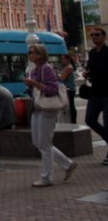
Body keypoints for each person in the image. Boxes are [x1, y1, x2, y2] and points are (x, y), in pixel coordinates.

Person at [24, 43, 77, 187]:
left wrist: (34, 83)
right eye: (29, 52)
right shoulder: (34, 70)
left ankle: (46, 177)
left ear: (41, 54)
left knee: (45, 144)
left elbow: (52, 89)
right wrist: (30, 86)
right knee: (38, 142)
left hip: (48, 109)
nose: (30, 54)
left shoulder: (46, 68)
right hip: (37, 108)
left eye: (32, 52)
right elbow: (35, 91)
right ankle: (67, 164)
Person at [84, 26, 108, 166]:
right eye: (92, 35)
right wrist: (87, 74)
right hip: (95, 93)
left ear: (104, 37)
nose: (94, 37)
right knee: (89, 120)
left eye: (97, 35)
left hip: (107, 94)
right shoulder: (92, 53)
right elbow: (90, 69)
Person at [58, 54, 77, 124]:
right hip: (67, 88)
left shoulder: (69, 67)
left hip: (70, 89)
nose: (62, 60)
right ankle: (71, 120)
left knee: (71, 105)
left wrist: (57, 75)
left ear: (68, 59)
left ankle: (73, 121)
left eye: (63, 59)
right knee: (69, 106)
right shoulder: (66, 67)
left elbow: (62, 77)